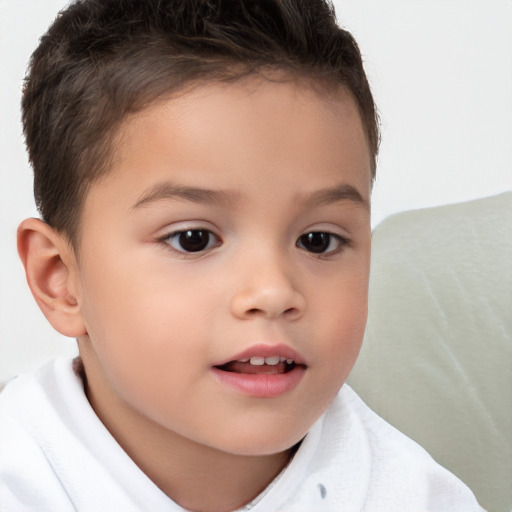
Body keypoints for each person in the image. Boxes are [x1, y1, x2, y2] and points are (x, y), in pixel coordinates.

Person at [0, 0, 485, 510]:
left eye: (317, 240)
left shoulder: (411, 496)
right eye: (194, 239)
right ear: (60, 279)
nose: (274, 291)